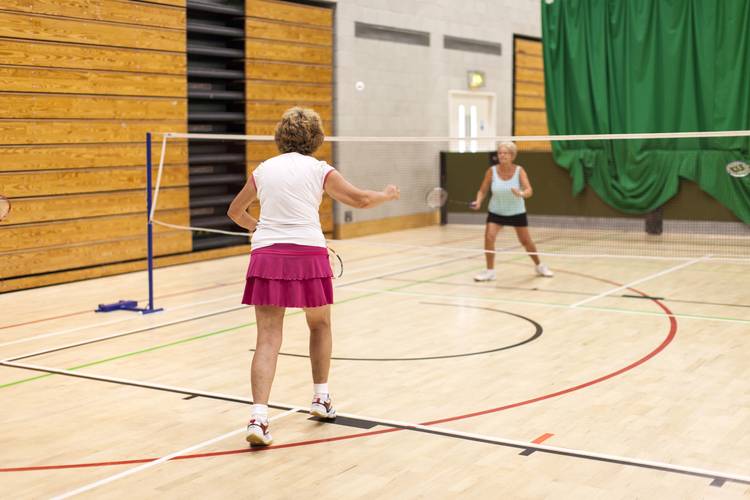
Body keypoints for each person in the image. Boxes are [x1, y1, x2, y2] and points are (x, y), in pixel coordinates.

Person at [228, 107, 400, 446]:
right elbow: (361, 199)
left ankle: (259, 419)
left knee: (267, 338)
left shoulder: (263, 170)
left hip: (268, 254)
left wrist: (257, 226)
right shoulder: (320, 170)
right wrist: (387, 195)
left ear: (281, 135)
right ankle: (321, 397)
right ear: (316, 138)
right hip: (307, 254)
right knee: (319, 325)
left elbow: (235, 211)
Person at [470, 141, 553, 281]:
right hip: (496, 211)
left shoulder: (520, 171)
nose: (502, 155)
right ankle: (490, 271)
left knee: (526, 241)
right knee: (489, 237)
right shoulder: (491, 171)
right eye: (500, 153)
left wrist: (521, 194)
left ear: (512, 155)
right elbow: (482, 190)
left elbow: (529, 190)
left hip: (516, 212)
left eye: (505, 153)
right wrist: (478, 201)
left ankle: (539, 266)